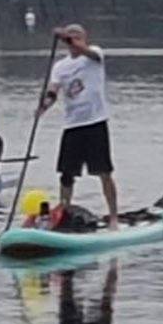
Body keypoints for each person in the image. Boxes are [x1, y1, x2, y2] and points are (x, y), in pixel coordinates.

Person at [39, 24, 118, 228]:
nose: (73, 42)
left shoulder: (94, 55)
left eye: (76, 38)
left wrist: (65, 36)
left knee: (104, 172)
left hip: (95, 123)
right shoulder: (60, 67)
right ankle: (63, 213)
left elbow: (85, 50)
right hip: (73, 126)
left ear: (84, 38)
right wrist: (44, 105)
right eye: (70, 38)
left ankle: (114, 217)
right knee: (66, 174)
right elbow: (53, 90)